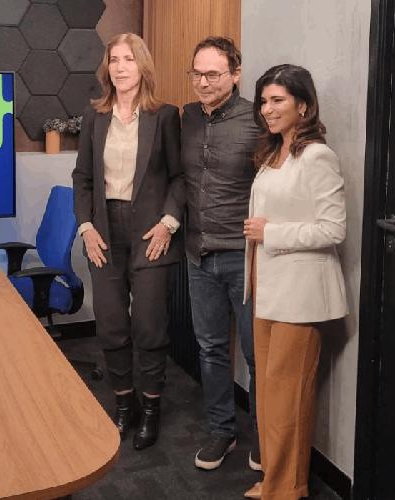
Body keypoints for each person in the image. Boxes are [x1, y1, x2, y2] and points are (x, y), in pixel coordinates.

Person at [72, 33, 183, 451]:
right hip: (104, 231)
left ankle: (151, 408)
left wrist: (169, 222)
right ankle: (124, 404)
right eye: (114, 59)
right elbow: (82, 178)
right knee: (111, 324)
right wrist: (86, 227)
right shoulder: (95, 115)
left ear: (143, 67)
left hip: (151, 232)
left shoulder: (164, 116)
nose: (120, 67)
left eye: (129, 59)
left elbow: (180, 177)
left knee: (149, 325)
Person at [241, 64, 348, 499]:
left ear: (303, 104)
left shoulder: (318, 156)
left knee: (288, 399)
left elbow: (333, 229)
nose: (268, 109)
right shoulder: (273, 153)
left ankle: (286, 489)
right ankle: (276, 480)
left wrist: (272, 233)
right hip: (266, 289)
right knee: (269, 397)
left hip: (300, 297)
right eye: (264, 101)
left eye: (277, 100)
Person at [182, 36, 260, 471]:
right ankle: (222, 431)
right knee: (210, 349)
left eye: (212, 74)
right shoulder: (188, 117)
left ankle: (265, 439)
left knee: (255, 353)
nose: (203, 82)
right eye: (196, 73)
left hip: (243, 256)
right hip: (199, 254)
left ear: (235, 74)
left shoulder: (256, 119)